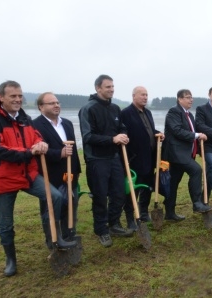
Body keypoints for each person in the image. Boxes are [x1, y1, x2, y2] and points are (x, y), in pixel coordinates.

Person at [0, 81, 75, 277]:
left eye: (20, 96)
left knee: (55, 196)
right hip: (3, 178)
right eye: (13, 96)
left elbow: (36, 137)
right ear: (1, 97)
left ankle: (55, 239)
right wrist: (29, 151)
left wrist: (41, 144)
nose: (18, 99)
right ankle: (11, 259)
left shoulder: (25, 119)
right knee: (6, 223)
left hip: (27, 175)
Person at [79, 74, 133, 248]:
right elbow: (88, 137)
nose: (111, 89)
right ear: (98, 88)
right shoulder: (88, 109)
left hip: (115, 158)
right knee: (100, 196)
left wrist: (123, 134)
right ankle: (101, 230)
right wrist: (112, 139)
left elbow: (121, 127)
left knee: (119, 193)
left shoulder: (115, 108)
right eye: (107, 86)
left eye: (112, 86)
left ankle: (114, 224)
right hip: (97, 159)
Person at [33, 92, 82, 246]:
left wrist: (76, 170)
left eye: (58, 102)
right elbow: (36, 150)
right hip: (50, 174)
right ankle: (53, 240)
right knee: (51, 208)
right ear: (41, 107)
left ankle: (68, 235)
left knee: (70, 204)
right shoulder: (35, 126)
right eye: (51, 103)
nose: (56, 105)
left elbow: (72, 152)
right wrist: (58, 154)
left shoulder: (66, 123)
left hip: (70, 173)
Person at [161, 89, 212, 221]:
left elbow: (191, 130)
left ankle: (170, 213)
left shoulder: (189, 114)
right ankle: (196, 203)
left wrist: (199, 135)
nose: (191, 100)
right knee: (196, 170)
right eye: (188, 97)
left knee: (173, 183)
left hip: (185, 154)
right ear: (179, 99)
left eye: (191, 97)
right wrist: (196, 135)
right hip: (175, 153)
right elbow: (177, 130)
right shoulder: (174, 112)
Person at [120, 86, 164, 229]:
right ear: (134, 96)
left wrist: (158, 133)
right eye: (142, 95)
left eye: (146, 95)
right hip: (135, 158)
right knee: (134, 190)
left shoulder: (148, 112)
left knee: (148, 187)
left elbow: (148, 130)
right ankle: (130, 219)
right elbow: (125, 133)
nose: (145, 97)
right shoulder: (126, 113)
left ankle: (144, 212)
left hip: (150, 157)